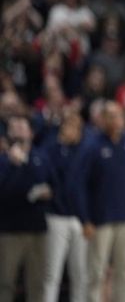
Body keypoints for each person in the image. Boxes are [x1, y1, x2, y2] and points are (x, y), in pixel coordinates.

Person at [77, 101, 125, 302]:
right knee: (96, 272)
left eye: (119, 116)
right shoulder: (91, 145)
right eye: (110, 116)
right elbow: (79, 185)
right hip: (99, 219)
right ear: (102, 119)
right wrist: (85, 219)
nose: (115, 120)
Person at [0, 116, 53, 302]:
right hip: (9, 230)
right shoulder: (4, 161)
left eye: (22, 126)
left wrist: (26, 165)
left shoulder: (41, 157)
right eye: (13, 127)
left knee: (37, 282)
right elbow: (6, 192)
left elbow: (50, 185)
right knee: (6, 283)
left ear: (31, 132)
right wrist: (16, 166)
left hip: (37, 228)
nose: (18, 130)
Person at [42, 112, 89, 302]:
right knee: (52, 274)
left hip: (81, 220)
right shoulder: (52, 149)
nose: (71, 130)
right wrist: (60, 142)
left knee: (81, 275)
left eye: (76, 126)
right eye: (68, 125)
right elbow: (43, 167)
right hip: (56, 217)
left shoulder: (85, 151)